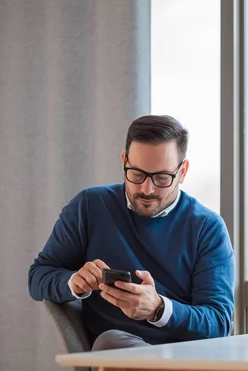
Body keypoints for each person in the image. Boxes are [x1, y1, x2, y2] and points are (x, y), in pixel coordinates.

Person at [28, 115, 235, 352]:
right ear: (124, 161)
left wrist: (158, 308)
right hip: (117, 353)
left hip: (184, 359)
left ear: (183, 172)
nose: (147, 189)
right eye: (137, 174)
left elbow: (219, 322)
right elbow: (37, 277)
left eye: (161, 178)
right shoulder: (89, 207)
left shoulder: (207, 228)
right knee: (113, 341)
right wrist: (74, 282)